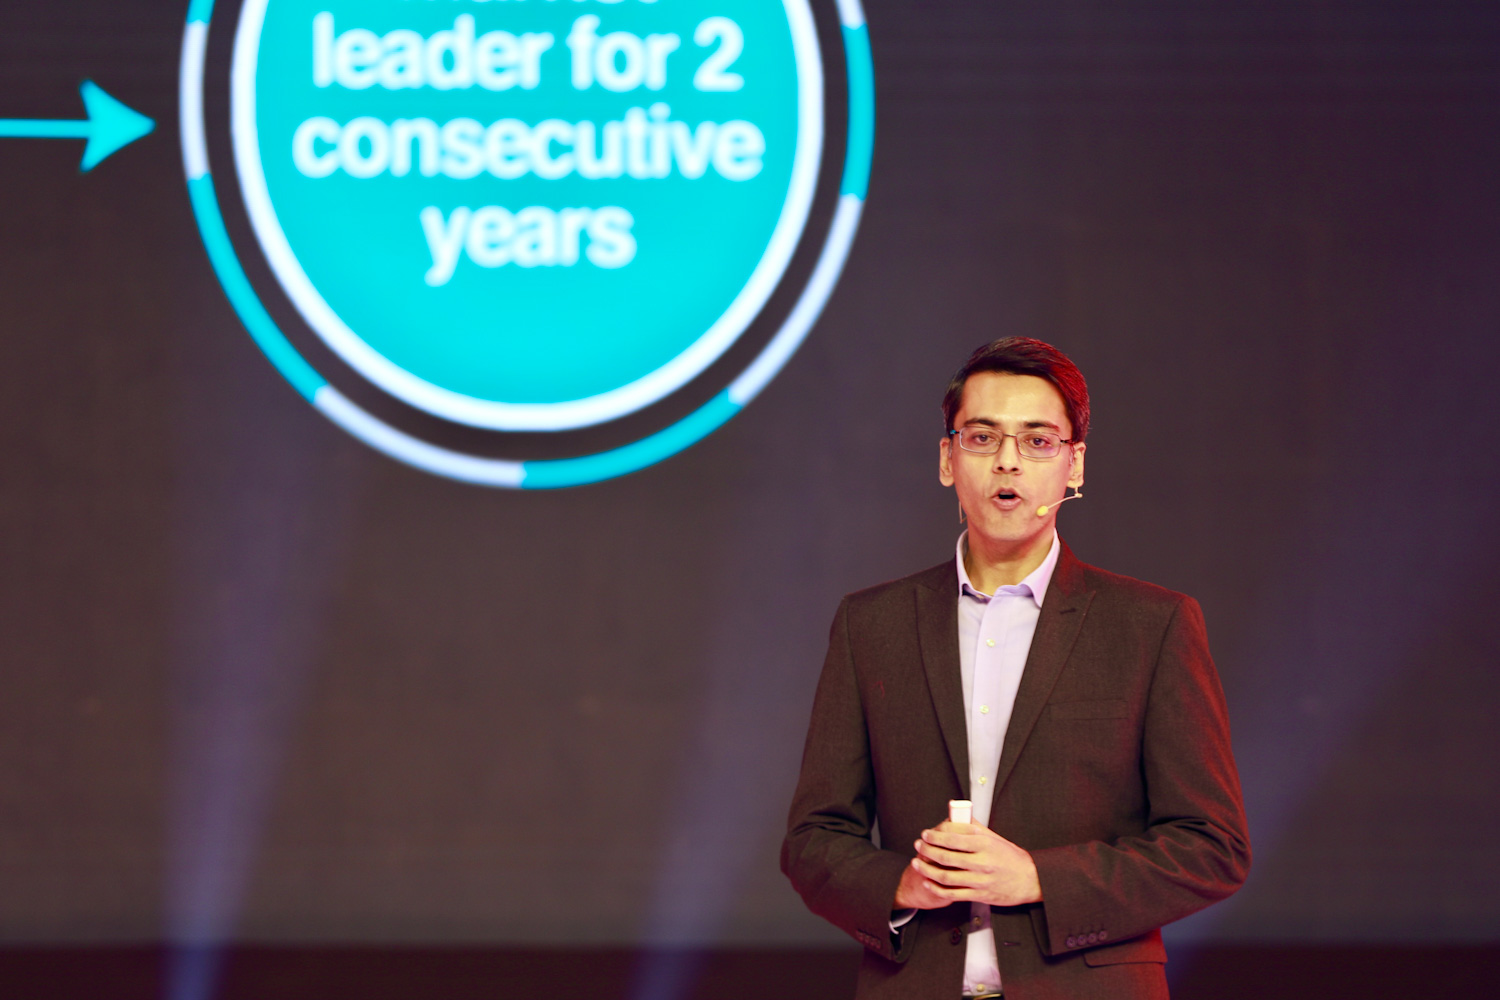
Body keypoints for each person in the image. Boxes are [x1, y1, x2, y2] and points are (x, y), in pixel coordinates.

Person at [781, 338, 1250, 1000]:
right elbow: (813, 840)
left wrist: (1036, 878)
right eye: (982, 438)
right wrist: (901, 886)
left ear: (1074, 464)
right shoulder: (872, 625)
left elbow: (1212, 847)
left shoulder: (1151, 625)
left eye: (1037, 441)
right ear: (947, 459)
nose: (1008, 461)